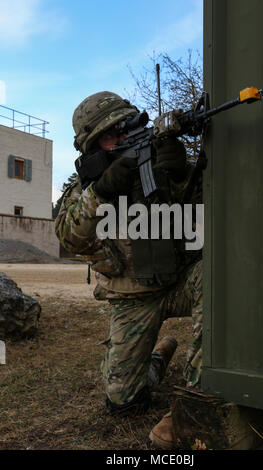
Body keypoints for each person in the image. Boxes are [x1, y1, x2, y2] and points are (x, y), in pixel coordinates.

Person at [55, 91, 203, 422]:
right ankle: (157, 359)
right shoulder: (86, 191)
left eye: (127, 129)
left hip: (181, 281)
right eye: (111, 136)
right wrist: (102, 193)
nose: (123, 139)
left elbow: (210, 206)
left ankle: (201, 396)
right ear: (92, 147)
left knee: (218, 274)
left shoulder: (160, 164)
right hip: (132, 300)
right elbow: (68, 237)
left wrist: (182, 176)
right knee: (124, 403)